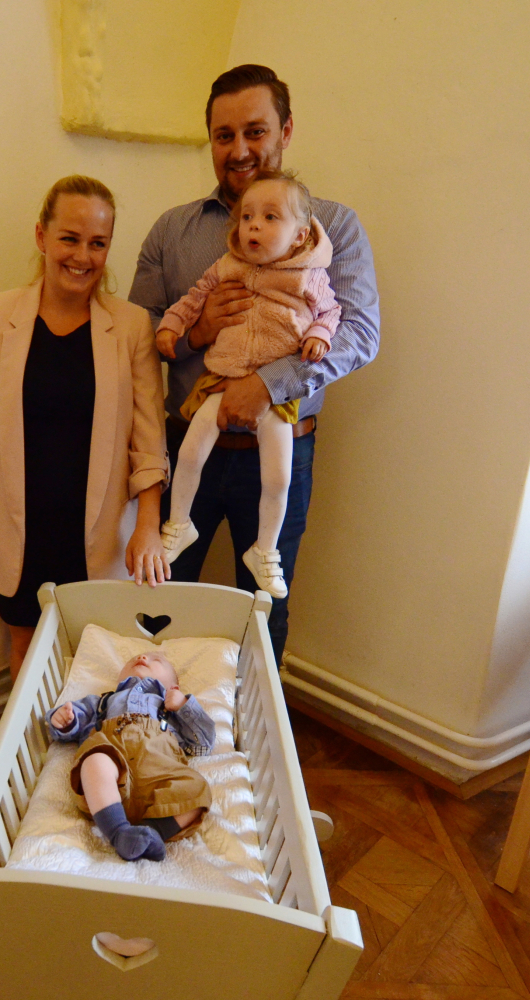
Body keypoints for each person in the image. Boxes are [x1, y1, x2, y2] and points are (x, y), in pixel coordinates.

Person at [129, 65, 380, 661]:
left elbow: (359, 332)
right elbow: (138, 336)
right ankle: (152, 710)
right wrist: (198, 332)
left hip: (285, 446)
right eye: (224, 135)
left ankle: (251, 723)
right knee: (156, 600)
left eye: (255, 131)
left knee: (263, 611)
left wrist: (268, 385)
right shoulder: (173, 231)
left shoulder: (332, 228)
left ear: (286, 131)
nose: (239, 149)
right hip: (186, 442)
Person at [0, 176, 170, 679]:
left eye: (98, 243)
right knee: (26, 648)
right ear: (42, 236)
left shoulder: (131, 326)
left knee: (98, 655)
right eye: (70, 238)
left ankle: (87, 735)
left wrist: (148, 526)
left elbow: (149, 440)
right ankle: (32, 734)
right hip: (16, 528)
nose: (82, 256)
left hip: (100, 530)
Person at [155, 170, 339, 599]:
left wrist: (319, 335)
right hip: (221, 376)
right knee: (190, 451)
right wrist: (173, 325)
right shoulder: (227, 265)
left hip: (276, 398)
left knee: (278, 476)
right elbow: (193, 298)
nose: (254, 226)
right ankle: (179, 524)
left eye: (270, 217)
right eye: (247, 217)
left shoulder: (308, 274)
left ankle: (265, 550)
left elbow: (332, 313)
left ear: (299, 236)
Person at [48, 650, 215, 862]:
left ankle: (151, 833)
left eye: (156, 660)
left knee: (197, 789)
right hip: (112, 767)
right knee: (94, 760)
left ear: (174, 686)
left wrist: (184, 706)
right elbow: (72, 720)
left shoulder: (171, 707)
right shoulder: (103, 701)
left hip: (160, 772)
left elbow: (203, 743)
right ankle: (118, 832)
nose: (142, 658)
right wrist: (63, 720)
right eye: (134, 659)